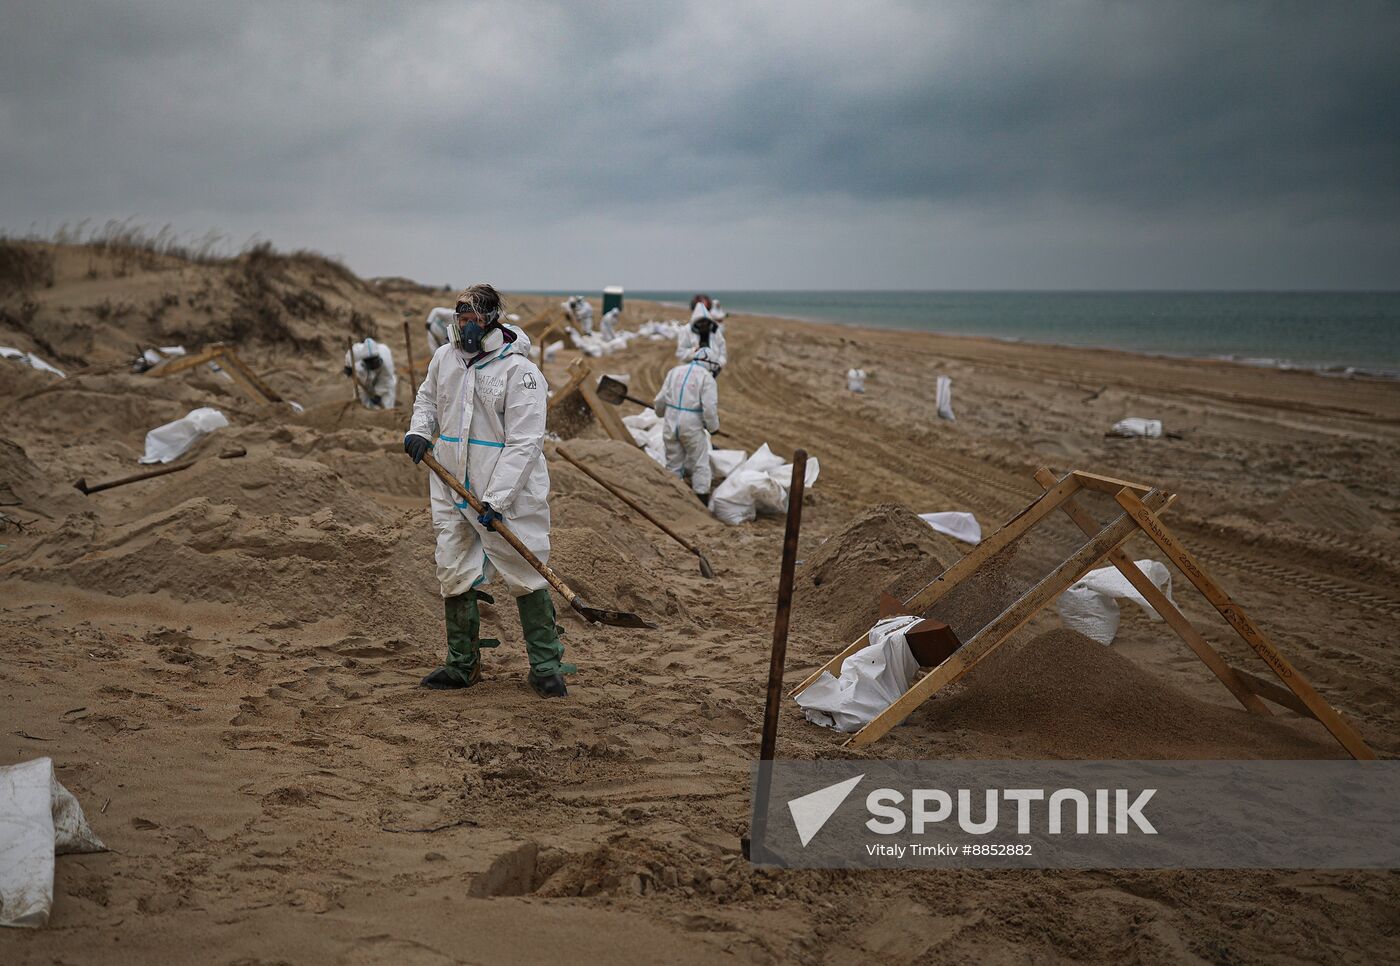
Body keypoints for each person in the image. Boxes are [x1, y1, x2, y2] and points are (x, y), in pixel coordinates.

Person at [402, 283, 572, 698]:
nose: (466, 325)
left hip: (506, 489)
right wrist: (419, 432)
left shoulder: (521, 373)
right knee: (453, 566)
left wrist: (497, 499)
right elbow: (427, 400)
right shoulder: (445, 359)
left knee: (526, 569)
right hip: (449, 480)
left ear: (492, 319)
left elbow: (525, 443)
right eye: (461, 316)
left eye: (473, 317)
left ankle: (546, 666)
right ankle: (462, 664)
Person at [654, 346, 721, 504]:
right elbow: (709, 409)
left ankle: (671, 499)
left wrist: (660, 413)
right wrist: (713, 428)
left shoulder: (675, 371)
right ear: (711, 364)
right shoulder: (707, 378)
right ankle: (701, 499)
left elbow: (660, 400)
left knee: (673, 462)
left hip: (671, 421)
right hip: (691, 423)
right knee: (700, 462)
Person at [344, 336, 397, 409]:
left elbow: (385, 379)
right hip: (365, 378)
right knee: (361, 404)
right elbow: (349, 356)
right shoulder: (357, 352)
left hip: (384, 382)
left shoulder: (386, 361)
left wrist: (378, 395)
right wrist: (348, 367)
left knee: (386, 405)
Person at [675, 301, 728, 370]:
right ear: (695, 322)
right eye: (700, 322)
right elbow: (680, 353)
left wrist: (718, 364)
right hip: (690, 370)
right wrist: (694, 351)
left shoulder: (714, 330)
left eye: (705, 322)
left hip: (711, 370)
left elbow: (722, 350)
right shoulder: (686, 330)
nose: (703, 325)